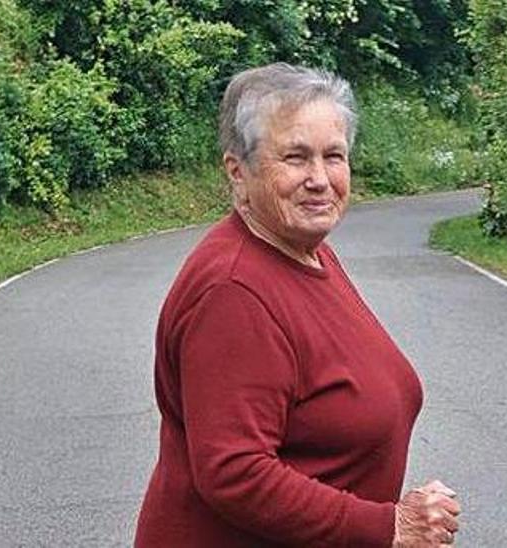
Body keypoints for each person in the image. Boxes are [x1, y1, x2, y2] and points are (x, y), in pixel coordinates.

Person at [135, 63, 460, 547]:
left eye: (334, 156)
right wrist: (386, 526)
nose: (319, 178)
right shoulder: (233, 290)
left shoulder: (307, 251)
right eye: (294, 157)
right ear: (237, 172)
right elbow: (235, 472)